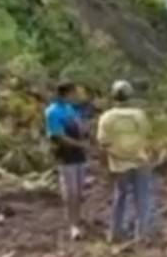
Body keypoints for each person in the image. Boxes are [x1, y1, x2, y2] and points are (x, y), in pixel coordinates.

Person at [96, 79, 155, 243]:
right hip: (140, 161)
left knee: (120, 197)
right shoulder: (139, 115)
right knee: (142, 198)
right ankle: (142, 234)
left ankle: (115, 232)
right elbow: (147, 136)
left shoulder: (106, 118)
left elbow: (103, 142)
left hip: (119, 164)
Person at [45, 80, 88, 240]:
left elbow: (80, 127)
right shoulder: (53, 112)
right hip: (65, 154)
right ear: (66, 93)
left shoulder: (71, 109)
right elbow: (58, 135)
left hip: (79, 154)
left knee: (80, 190)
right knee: (71, 191)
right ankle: (73, 224)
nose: (75, 96)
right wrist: (80, 144)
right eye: (73, 93)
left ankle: (78, 216)